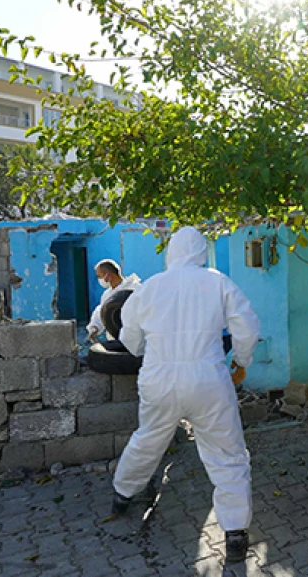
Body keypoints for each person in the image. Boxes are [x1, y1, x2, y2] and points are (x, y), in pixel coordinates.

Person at [112, 227, 260, 565]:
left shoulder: (148, 288)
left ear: (172, 252)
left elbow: (130, 339)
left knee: (148, 438)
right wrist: (241, 361)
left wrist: (147, 348)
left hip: (159, 377)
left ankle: (122, 495)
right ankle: (235, 532)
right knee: (227, 454)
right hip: (208, 378)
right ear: (201, 251)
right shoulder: (218, 281)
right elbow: (247, 327)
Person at [86, 259, 141, 341]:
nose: (99, 280)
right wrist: (95, 327)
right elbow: (103, 311)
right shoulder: (107, 294)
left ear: (108, 275)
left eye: (99, 276)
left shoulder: (135, 289)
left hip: (136, 338)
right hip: (115, 338)